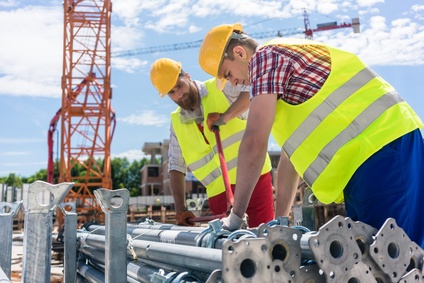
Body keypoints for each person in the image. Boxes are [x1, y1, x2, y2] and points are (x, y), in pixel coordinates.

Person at [198, 23, 424, 248]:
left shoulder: (265, 57)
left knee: (394, 260)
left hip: (380, 150)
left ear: (239, 53)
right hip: (372, 157)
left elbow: (254, 142)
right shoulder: (280, 78)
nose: (234, 82)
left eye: (228, 74)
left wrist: (236, 217)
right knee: (382, 259)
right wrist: (279, 222)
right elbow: (290, 159)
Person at [149, 58, 275, 227]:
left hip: (254, 181)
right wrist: (180, 209)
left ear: (187, 76)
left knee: (265, 238)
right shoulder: (176, 122)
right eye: (172, 92)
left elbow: (251, 93)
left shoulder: (221, 86)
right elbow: (176, 166)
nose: (179, 94)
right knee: (229, 248)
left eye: (180, 85)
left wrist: (226, 116)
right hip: (218, 195)